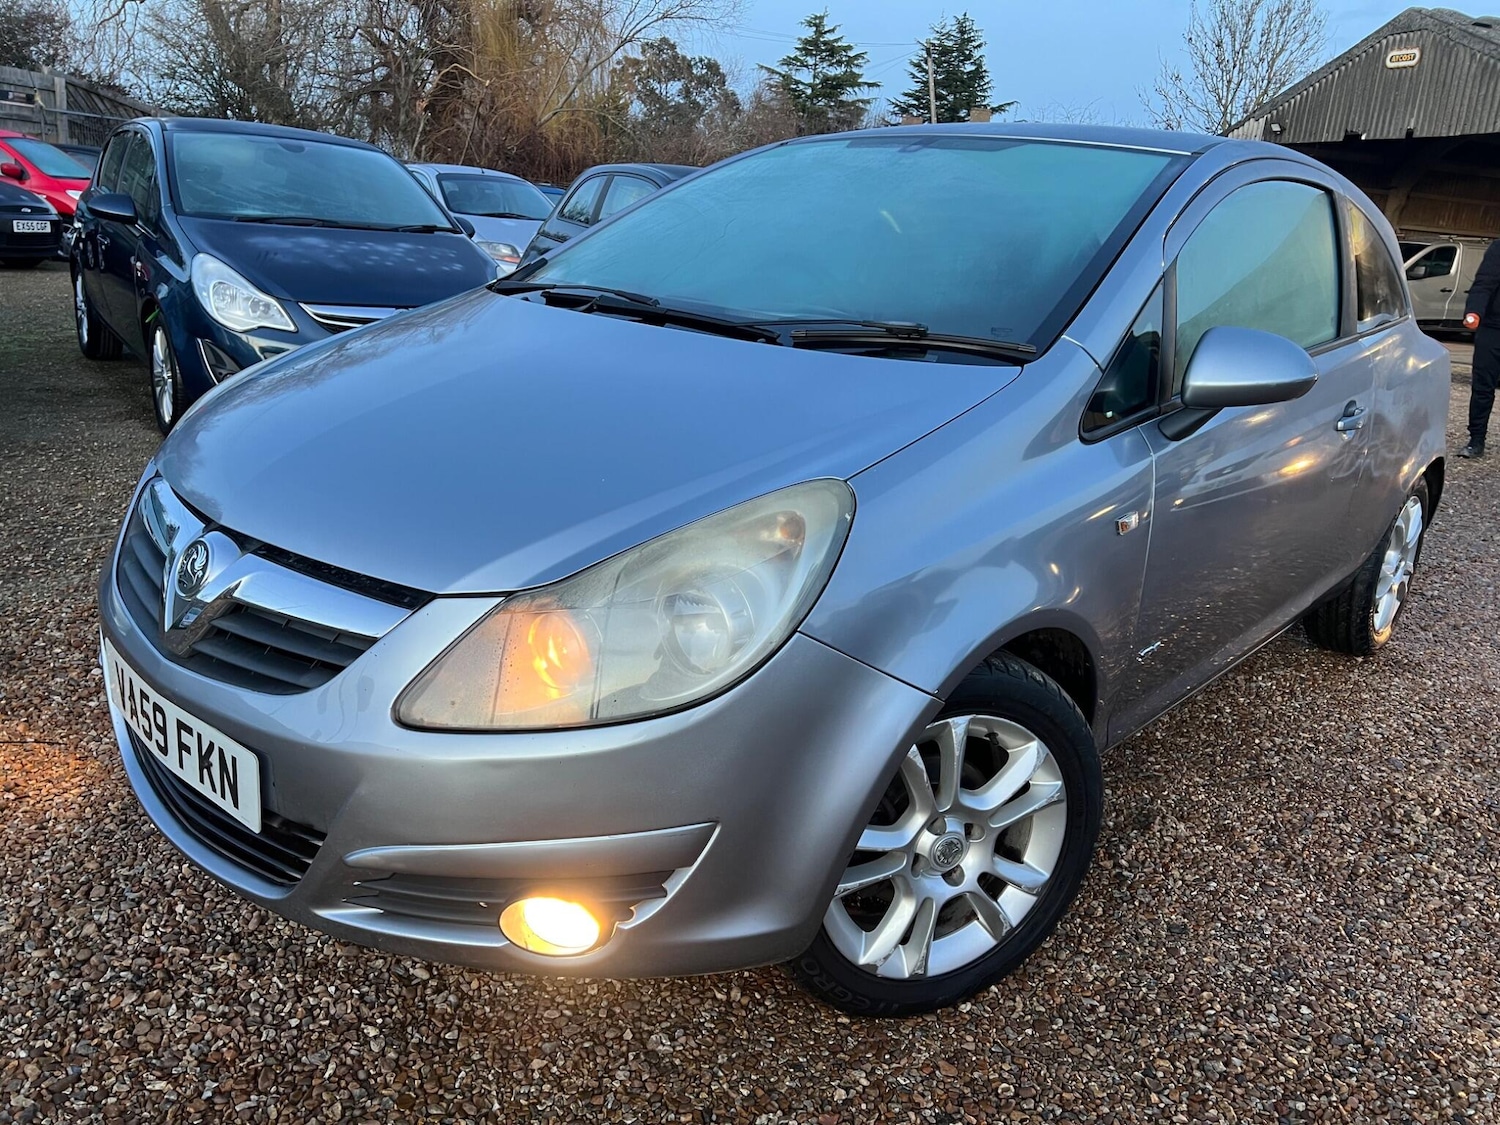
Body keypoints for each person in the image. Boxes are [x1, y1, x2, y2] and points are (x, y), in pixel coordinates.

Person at [1460, 237, 1500, 458]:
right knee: (1483, 386)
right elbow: (1484, 283)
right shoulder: (1499, 249)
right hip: (1494, 328)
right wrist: (1474, 312)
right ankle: (1476, 440)